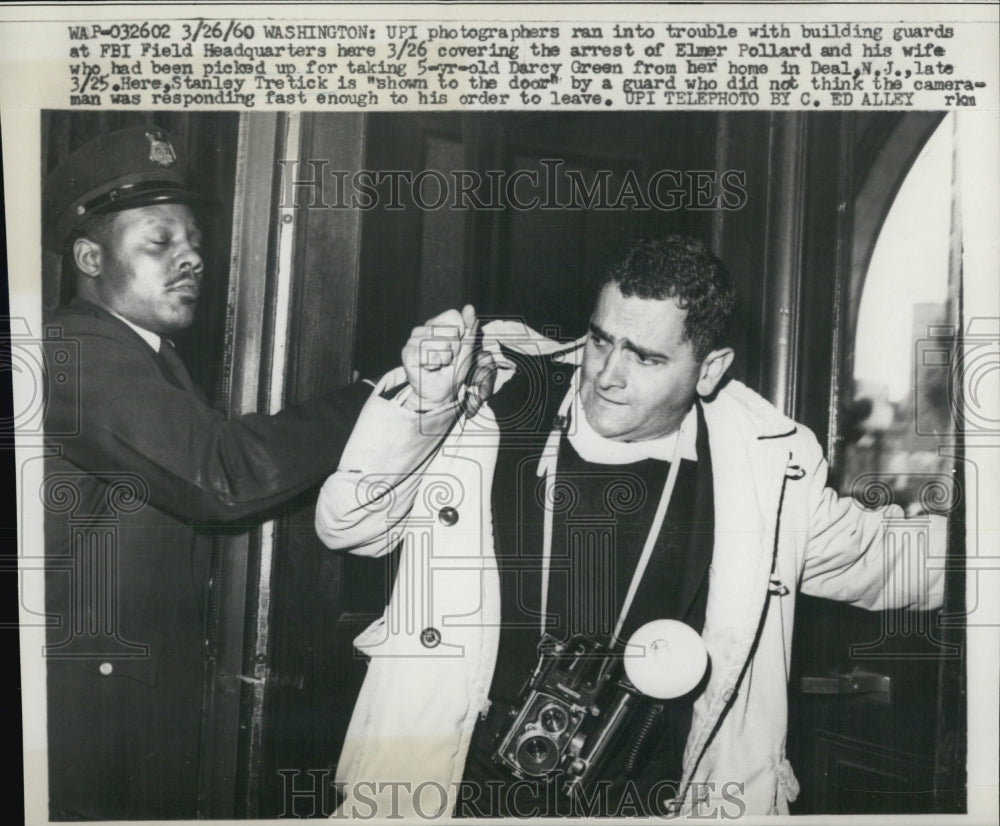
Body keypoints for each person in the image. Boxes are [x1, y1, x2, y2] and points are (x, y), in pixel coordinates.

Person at [315, 236, 946, 818]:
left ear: (708, 369)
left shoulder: (762, 472)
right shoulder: (493, 410)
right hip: (455, 793)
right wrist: (426, 405)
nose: (606, 375)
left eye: (645, 357)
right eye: (599, 340)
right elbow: (350, 525)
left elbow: (892, 562)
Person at [39, 125, 380, 820]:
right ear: (89, 256)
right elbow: (222, 472)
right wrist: (378, 397)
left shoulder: (148, 356)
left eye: (194, 241)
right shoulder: (74, 353)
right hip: (90, 719)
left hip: (135, 703)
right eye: (161, 242)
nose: (192, 257)